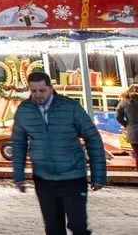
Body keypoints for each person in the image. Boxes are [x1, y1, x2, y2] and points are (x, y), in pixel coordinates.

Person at [12, 71, 107, 235]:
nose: (37, 95)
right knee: (53, 227)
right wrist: (18, 175)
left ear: (50, 88)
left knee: (77, 225)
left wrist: (98, 175)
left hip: (73, 176)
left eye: (42, 91)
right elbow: (18, 144)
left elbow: (93, 138)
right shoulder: (24, 110)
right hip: (44, 178)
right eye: (33, 91)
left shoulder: (70, 107)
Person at [117, 84, 138, 168]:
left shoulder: (123, 102)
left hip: (133, 133)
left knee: (137, 155)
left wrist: (126, 124)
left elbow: (118, 116)